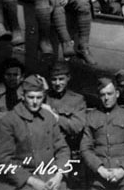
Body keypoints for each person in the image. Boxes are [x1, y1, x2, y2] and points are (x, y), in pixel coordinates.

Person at [0, 74, 70, 190]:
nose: (35, 102)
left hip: (51, 177)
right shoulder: (9, 121)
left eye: (39, 98)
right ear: (23, 96)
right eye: (31, 97)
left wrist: (59, 175)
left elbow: (62, 149)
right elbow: (4, 160)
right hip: (23, 180)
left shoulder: (49, 117)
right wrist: (31, 181)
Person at [81, 78, 124, 190]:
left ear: (117, 94)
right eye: (102, 95)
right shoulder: (91, 117)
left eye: (110, 94)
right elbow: (85, 148)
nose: (106, 98)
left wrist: (123, 170)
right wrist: (100, 169)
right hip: (99, 181)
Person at [43, 61, 87, 189]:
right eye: (54, 79)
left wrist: (55, 116)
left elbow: (76, 127)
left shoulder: (77, 99)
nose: (57, 83)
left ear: (68, 78)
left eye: (61, 79)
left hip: (68, 155)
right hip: (46, 155)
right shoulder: (45, 97)